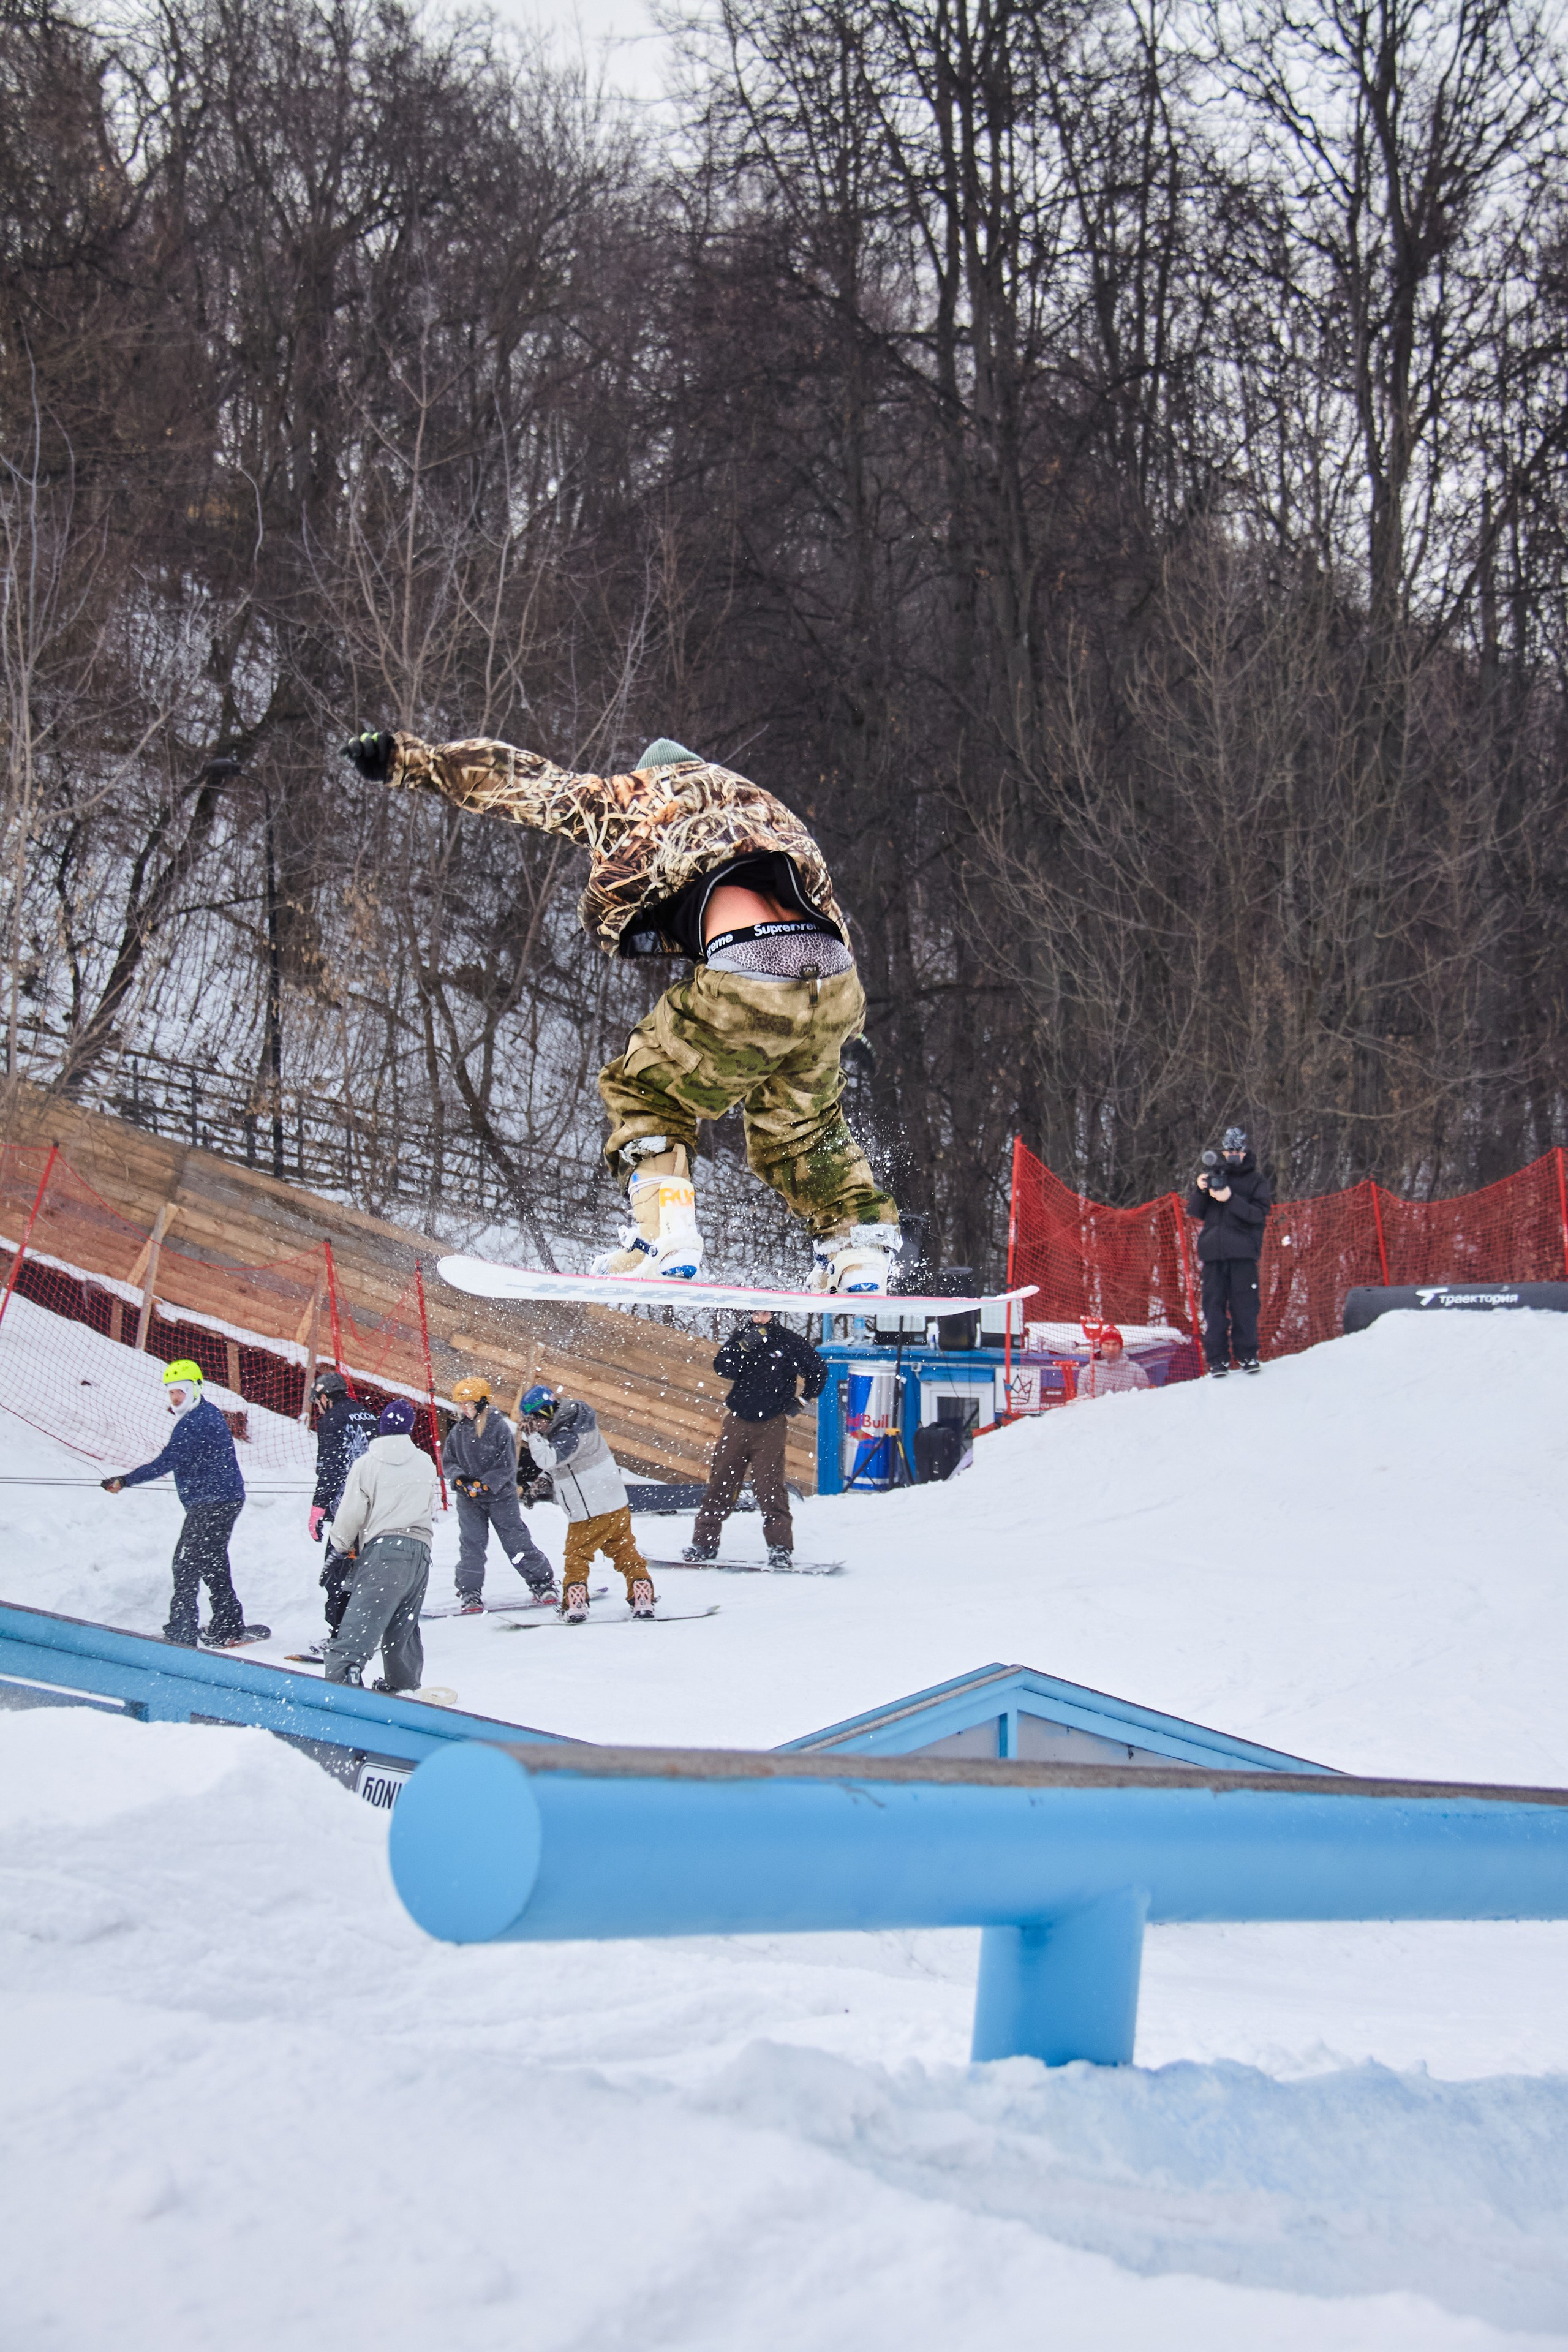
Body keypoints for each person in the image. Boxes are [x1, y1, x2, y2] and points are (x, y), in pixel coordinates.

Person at [338, 727, 901, 1295]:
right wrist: (849, 1031)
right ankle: (857, 1251)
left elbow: (524, 784)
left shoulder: (633, 798)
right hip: (834, 981)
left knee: (644, 1089)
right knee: (803, 1125)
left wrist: (407, 761)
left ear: (653, 775)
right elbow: (827, 912)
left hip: (750, 967)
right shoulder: (766, 810)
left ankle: (665, 1234)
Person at [102, 1359, 268, 1649]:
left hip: (211, 1503)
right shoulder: (207, 1413)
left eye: (181, 1391)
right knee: (212, 1560)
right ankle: (228, 1625)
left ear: (195, 1389)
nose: (176, 1397)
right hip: (225, 1499)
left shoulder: (195, 1422)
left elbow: (167, 1461)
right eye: (171, 1392)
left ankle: (182, 1630)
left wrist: (126, 1480)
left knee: (186, 1563)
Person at [684, 1312, 826, 1567]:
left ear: (774, 1315)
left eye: (765, 1313)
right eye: (756, 1313)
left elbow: (818, 1370)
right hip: (737, 1421)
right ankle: (704, 1544)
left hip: (771, 1424)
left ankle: (780, 1549)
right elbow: (723, 1368)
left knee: (769, 1486)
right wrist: (742, 1347)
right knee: (721, 1482)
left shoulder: (788, 1341)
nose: (760, 1318)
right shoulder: (743, 1338)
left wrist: (802, 1400)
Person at [322, 1397, 441, 1691]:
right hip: (420, 1551)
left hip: (385, 1550)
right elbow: (430, 1506)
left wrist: (338, 1547)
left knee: (362, 1619)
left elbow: (350, 1513)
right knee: (404, 1622)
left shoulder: (367, 1464)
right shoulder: (425, 1462)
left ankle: (344, 1678)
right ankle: (403, 1683)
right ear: (409, 1429)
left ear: (382, 1427)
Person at [517, 1384, 655, 1623]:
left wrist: (532, 1436)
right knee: (624, 1551)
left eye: (535, 1421)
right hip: (615, 1504)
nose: (535, 1426)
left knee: (577, 1557)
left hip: (589, 1510)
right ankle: (642, 1596)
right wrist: (539, 1485)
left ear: (545, 1413)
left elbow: (549, 1459)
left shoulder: (567, 1432)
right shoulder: (576, 1422)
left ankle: (575, 1604)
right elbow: (566, 1463)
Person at [442, 1374, 556, 1613]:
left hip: (500, 1498)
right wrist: (461, 1480)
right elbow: (449, 1462)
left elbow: (507, 1465)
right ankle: (470, 1592)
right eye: (460, 1404)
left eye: (468, 1404)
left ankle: (542, 1583)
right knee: (472, 1544)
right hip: (469, 1500)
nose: (463, 1408)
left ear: (481, 1403)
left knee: (516, 1541)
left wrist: (486, 1484)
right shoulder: (458, 1432)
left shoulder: (498, 1428)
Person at [303, 1368, 379, 1660]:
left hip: (348, 1512)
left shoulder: (332, 1420)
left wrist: (319, 1507)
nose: (318, 1407)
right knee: (364, 1573)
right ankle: (366, 1631)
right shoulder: (367, 1415)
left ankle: (341, 1637)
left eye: (318, 1401)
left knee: (335, 1575)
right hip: (375, 1510)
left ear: (325, 1397)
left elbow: (332, 1468)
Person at [1185, 1126, 1273, 1376]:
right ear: (1223, 1152)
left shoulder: (1256, 1181)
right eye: (1229, 1151)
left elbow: (1258, 1215)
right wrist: (1201, 1190)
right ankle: (1217, 1360)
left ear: (1245, 1152)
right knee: (1213, 1308)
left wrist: (1230, 1199)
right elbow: (1195, 1211)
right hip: (1213, 1254)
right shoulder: (1215, 1175)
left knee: (1244, 1307)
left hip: (1243, 1254)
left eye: (1238, 1151)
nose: (1233, 1155)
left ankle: (1247, 1356)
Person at [1072, 1323, 1152, 1401]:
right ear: (1101, 1345)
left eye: (1115, 1344)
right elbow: (1081, 1404)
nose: (1111, 1348)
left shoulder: (1136, 1372)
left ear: (1120, 1346)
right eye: (1107, 1344)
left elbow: (1144, 1402)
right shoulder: (1087, 1373)